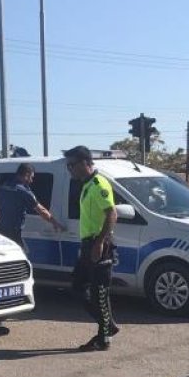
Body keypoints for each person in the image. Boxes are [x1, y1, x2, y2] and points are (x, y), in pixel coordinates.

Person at [64, 146, 119, 351]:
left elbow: (112, 214)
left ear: (85, 163)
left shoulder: (98, 184)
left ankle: (103, 337)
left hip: (99, 244)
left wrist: (100, 243)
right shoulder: (86, 185)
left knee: (99, 293)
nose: (70, 169)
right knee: (78, 287)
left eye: (72, 165)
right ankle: (108, 326)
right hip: (88, 244)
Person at [0, 163, 63, 247]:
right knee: (18, 256)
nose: (31, 181)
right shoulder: (24, 191)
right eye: (31, 177)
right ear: (27, 174)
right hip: (13, 233)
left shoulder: (3, 187)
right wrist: (55, 223)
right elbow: (41, 210)